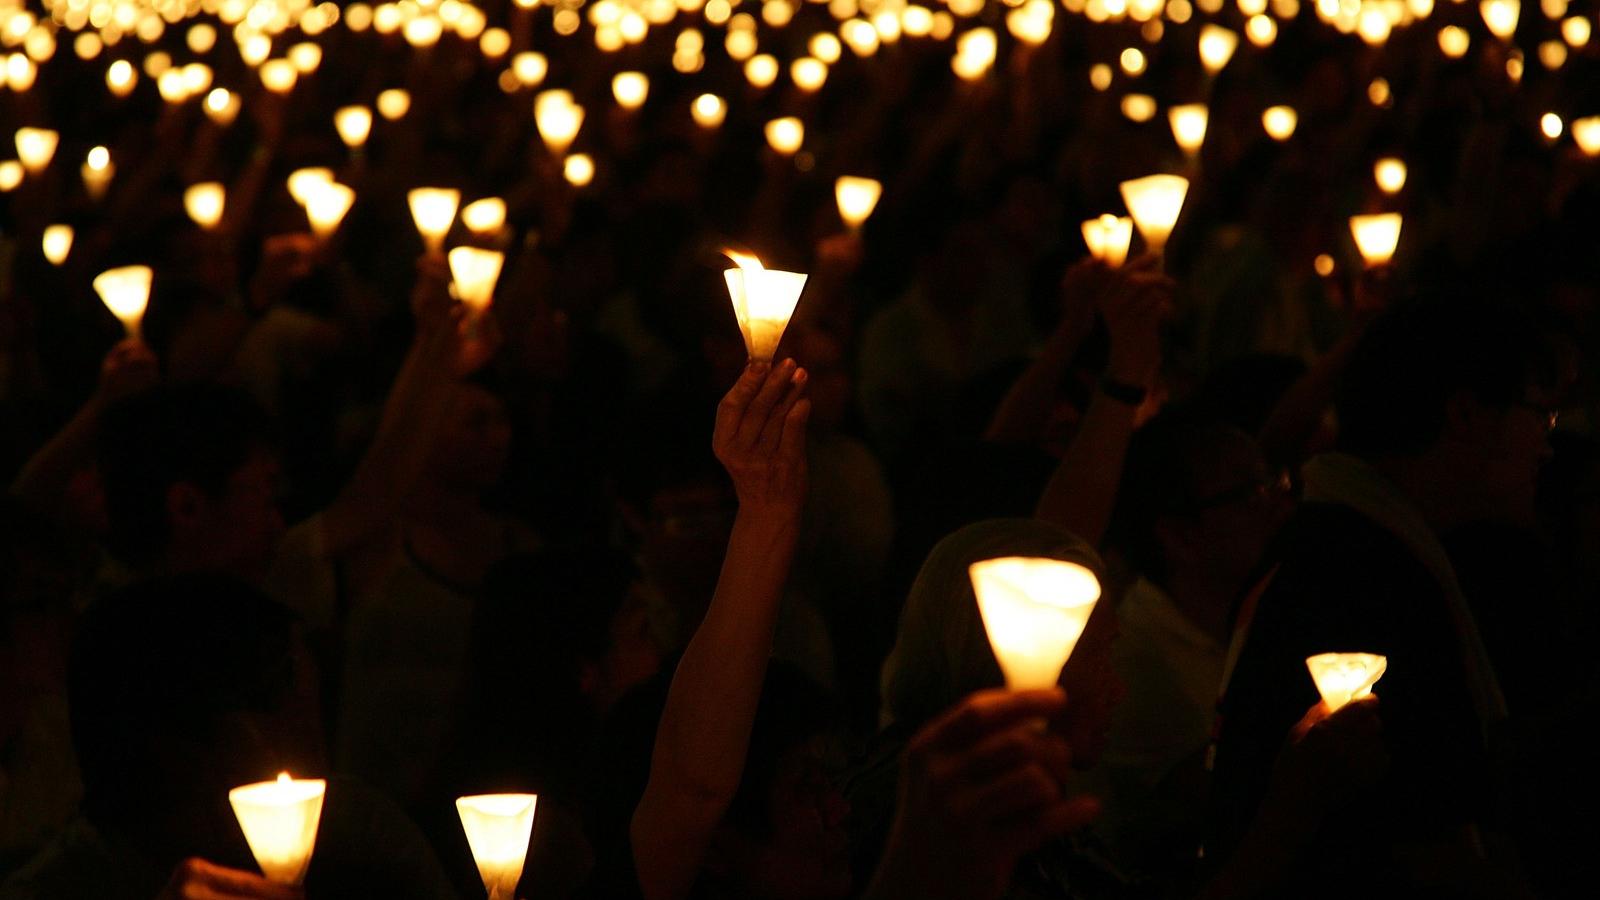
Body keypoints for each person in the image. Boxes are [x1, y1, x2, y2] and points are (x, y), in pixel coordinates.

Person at [1206, 296, 1556, 896]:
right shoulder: (1357, 575)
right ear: (1466, 414)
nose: (1548, 448)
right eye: (1541, 415)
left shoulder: (1360, 541)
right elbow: (1418, 835)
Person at [0, 573, 459, 900]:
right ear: (178, 746)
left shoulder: (363, 838)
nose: (315, 749)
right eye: (292, 712)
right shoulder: (58, 889)